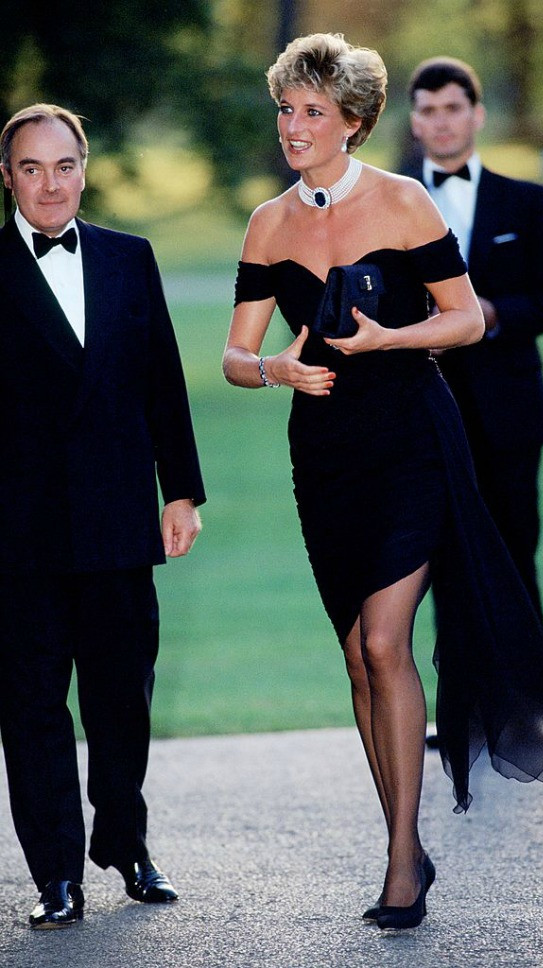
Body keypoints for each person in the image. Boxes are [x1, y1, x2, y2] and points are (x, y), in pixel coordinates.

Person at [223, 33, 543, 932]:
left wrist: (389, 340)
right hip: (325, 458)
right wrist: (274, 370)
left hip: (415, 439)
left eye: (311, 111)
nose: (293, 126)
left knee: (385, 644)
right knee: (356, 655)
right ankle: (406, 843)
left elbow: (464, 322)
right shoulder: (268, 222)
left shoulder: (405, 201)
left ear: (353, 121)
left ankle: (399, 868)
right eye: (286, 109)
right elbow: (233, 355)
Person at [0, 104, 205, 929]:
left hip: (119, 520)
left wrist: (181, 491)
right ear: (7, 177)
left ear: (84, 169)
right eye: (31, 168)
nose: (50, 184)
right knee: (32, 710)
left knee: (123, 703)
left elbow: (163, 380)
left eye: (64, 166)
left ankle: (125, 844)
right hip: (18, 535)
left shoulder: (130, 257)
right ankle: (55, 875)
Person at [403, 57, 543, 629]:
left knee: (515, 559)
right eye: (429, 110)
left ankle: (532, 691)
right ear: (414, 121)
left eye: (453, 108)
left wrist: (494, 312)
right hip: (423, 413)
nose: (442, 121)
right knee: (443, 564)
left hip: (510, 412)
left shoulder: (524, 201)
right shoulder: (388, 205)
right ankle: (460, 691)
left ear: (477, 115)